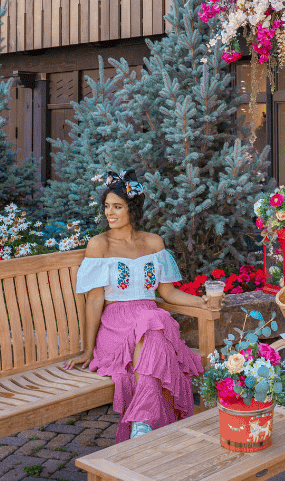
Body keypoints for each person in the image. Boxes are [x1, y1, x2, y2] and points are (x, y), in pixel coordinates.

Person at [63, 170, 206, 441]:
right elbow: (94, 300)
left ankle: (142, 422)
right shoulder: (100, 245)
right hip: (116, 328)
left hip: (150, 322)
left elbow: (168, 293)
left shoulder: (153, 243)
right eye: (107, 207)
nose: (110, 213)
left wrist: (203, 301)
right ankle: (149, 424)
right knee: (154, 322)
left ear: (133, 209)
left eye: (117, 207)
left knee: (153, 321)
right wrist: (87, 349)